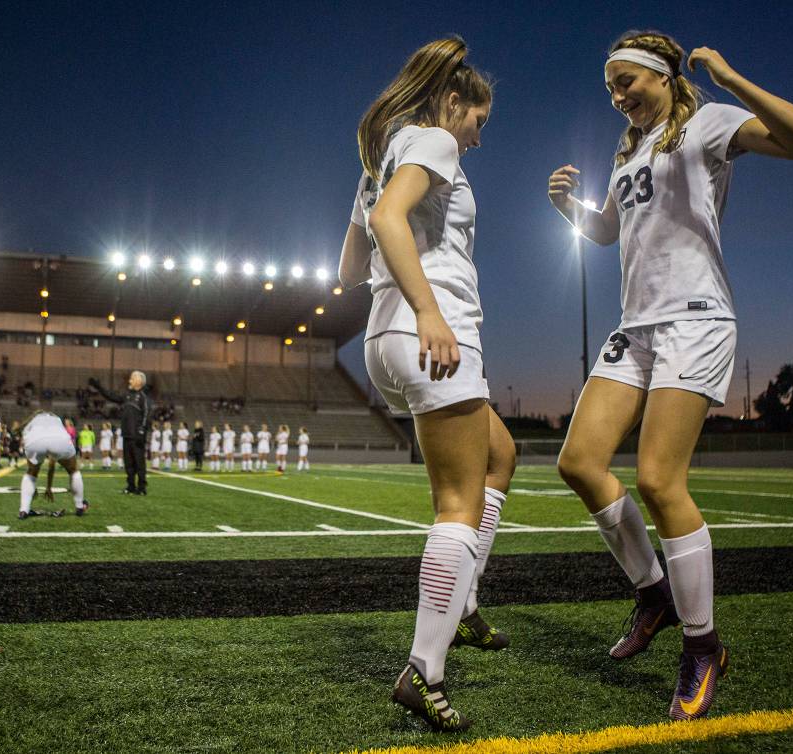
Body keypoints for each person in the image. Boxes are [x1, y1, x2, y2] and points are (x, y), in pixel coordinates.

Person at [548, 30, 793, 722]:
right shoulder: (629, 150)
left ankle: (704, 647)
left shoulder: (706, 122)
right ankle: (653, 593)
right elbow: (612, 232)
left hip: (697, 319)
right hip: (636, 326)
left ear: (664, 75)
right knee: (580, 462)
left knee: (658, 481)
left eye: (627, 81)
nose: (617, 96)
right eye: (610, 87)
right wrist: (570, 214)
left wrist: (730, 76)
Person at [339, 36, 516, 732]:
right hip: (431, 334)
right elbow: (389, 220)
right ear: (453, 102)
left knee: (501, 454)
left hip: (382, 342)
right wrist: (430, 310)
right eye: (478, 122)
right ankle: (424, 670)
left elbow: (350, 269)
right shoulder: (432, 139)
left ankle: (463, 603)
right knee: (456, 505)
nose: (475, 139)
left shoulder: (379, 158)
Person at [16, 409, 90, 519]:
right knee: (73, 470)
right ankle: (79, 506)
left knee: (31, 473)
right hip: (60, 440)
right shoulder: (56, 419)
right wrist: (48, 488)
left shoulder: (31, 423)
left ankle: (24, 510)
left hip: (34, 441)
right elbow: (52, 464)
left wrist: (33, 488)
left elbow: (25, 441)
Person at [88, 371, 152, 495]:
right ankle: (131, 486)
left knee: (139, 462)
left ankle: (142, 487)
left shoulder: (143, 397)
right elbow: (111, 396)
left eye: (132, 378)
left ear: (139, 381)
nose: (130, 381)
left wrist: (142, 430)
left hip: (137, 435)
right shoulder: (127, 396)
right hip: (127, 434)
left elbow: (146, 414)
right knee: (128, 462)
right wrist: (99, 387)